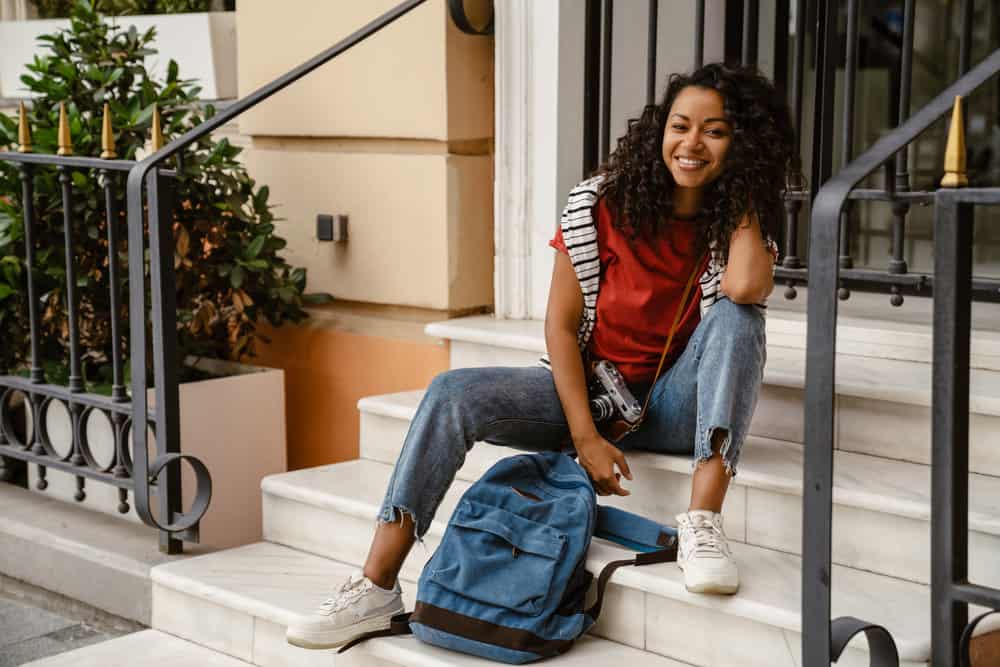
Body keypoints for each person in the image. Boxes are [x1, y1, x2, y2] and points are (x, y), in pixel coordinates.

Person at [286, 62, 795, 651]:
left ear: (743, 144)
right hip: (591, 394)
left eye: (717, 131)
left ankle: (702, 522)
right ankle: (375, 587)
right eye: (680, 126)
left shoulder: (734, 220)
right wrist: (585, 436)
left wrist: (747, 192)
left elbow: (743, 290)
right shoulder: (602, 203)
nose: (691, 144)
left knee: (738, 320)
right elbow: (560, 324)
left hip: (678, 406)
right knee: (451, 394)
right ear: (659, 129)